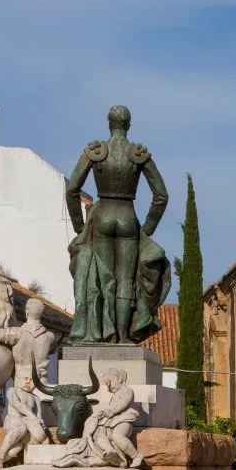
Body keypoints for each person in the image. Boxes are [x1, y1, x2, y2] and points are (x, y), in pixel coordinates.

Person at [65, 105, 171, 344]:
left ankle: (105, 334)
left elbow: (72, 190)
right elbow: (161, 196)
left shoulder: (95, 152)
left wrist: (80, 226)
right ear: (128, 125)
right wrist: (147, 230)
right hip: (127, 218)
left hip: (101, 218)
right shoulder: (138, 154)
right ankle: (123, 338)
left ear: (109, 124)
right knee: (126, 280)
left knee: (104, 278)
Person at [54, 367, 143, 468]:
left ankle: (136, 456)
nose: (108, 385)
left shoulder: (127, 391)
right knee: (98, 431)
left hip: (124, 420)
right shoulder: (115, 394)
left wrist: (111, 411)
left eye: (110, 381)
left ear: (120, 379)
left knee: (117, 436)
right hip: (114, 420)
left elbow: (123, 403)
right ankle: (109, 450)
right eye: (107, 383)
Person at [0, 298, 55, 384]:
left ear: (27, 313)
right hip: (42, 383)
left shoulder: (16, 333)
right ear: (41, 315)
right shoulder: (50, 337)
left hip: (21, 383)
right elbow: (52, 350)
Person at [0, 375, 49, 468]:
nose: (28, 382)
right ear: (19, 379)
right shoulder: (12, 390)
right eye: (25, 379)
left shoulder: (36, 398)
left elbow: (39, 416)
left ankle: (0, 461)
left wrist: (41, 422)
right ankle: (1, 454)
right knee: (21, 428)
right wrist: (32, 416)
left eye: (31, 380)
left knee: (23, 444)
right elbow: (17, 405)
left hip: (27, 425)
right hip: (13, 421)